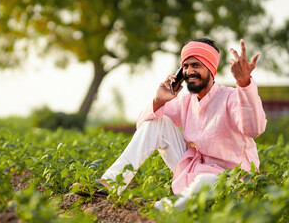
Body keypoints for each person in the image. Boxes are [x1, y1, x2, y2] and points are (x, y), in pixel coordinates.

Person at [88, 38, 267, 209]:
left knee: (206, 181)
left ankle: (157, 210)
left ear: (211, 70)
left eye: (196, 65)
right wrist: (159, 100)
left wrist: (244, 84)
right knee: (158, 122)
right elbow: (145, 126)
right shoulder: (186, 101)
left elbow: (255, 129)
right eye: (185, 66)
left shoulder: (232, 97)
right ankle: (111, 183)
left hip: (232, 181)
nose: (189, 71)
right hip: (196, 169)